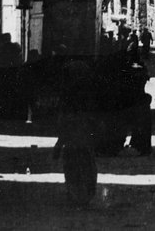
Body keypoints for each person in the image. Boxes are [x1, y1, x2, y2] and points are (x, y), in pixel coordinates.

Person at [53, 63, 97, 207]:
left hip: (73, 141)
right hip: (83, 139)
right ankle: (84, 195)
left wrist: (59, 144)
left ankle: (76, 195)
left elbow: (63, 123)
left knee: (74, 168)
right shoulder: (88, 95)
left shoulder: (67, 98)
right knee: (85, 167)